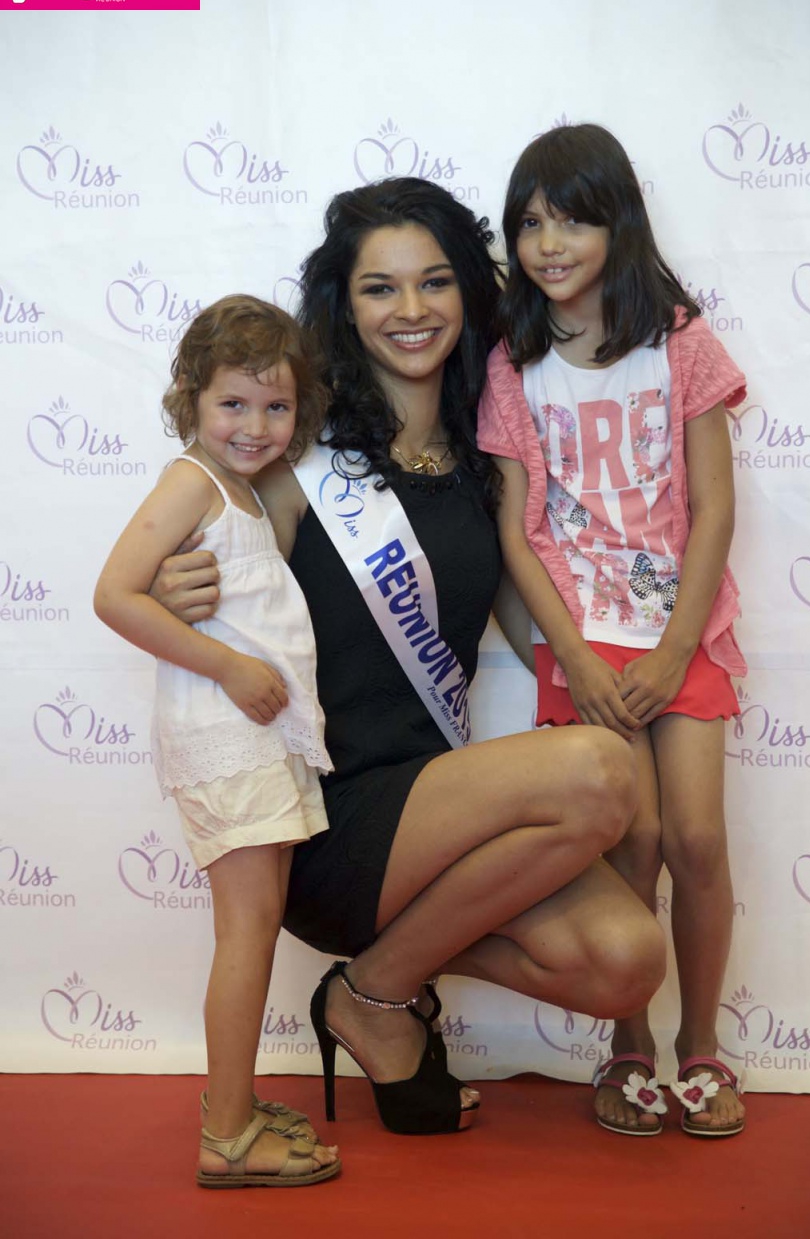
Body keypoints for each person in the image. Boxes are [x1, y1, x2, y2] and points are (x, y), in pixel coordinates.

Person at [151, 178, 666, 1138]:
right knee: (597, 775)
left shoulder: (484, 461)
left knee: (626, 959)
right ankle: (382, 996)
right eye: (379, 287)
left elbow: (529, 624)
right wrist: (180, 583)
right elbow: (206, 548)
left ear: (466, 292)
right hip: (329, 819)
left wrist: (640, 665)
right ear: (344, 306)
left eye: (433, 282)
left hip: (436, 813)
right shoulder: (298, 461)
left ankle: (371, 990)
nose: (411, 309)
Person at [478, 125, 747, 1137]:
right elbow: (514, 530)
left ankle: (702, 1047)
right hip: (582, 640)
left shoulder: (679, 341)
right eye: (529, 223)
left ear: (617, 224)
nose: (548, 244)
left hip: (681, 631)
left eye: (573, 220)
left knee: (696, 837)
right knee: (628, 839)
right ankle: (627, 1046)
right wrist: (573, 658)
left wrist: (676, 647)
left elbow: (713, 509)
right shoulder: (512, 361)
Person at [94, 296, 341, 1186]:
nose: (254, 425)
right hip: (225, 735)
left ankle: (233, 1106)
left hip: (259, 738)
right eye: (232, 403)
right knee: (245, 931)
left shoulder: (244, 492)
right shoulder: (192, 481)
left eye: (276, 407)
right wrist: (228, 666)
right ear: (192, 396)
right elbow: (115, 594)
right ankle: (227, 1136)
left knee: (256, 927)